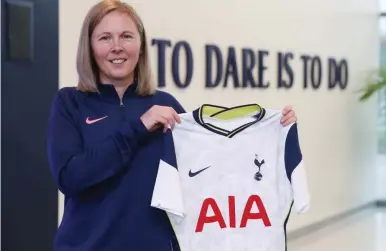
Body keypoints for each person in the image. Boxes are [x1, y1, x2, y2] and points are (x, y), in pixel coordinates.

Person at [46, 1, 298, 250]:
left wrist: (273, 132)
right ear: (89, 46)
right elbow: (70, 177)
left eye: (126, 36)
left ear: (141, 45)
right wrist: (138, 127)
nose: (117, 47)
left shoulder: (165, 105)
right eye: (105, 38)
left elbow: (212, 165)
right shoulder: (70, 102)